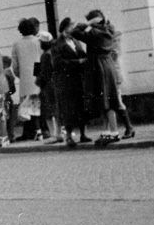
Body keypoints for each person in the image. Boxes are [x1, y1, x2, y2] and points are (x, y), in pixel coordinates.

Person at [72, 11, 123, 144]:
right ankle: (107, 131)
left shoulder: (96, 33)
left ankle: (114, 131)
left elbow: (75, 32)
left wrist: (87, 25)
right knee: (103, 100)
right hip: (104, 65)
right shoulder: (105, 30)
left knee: (107, 100)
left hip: (99, 66)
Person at [51, 18, 89, 148]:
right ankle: (69, 135)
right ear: (65, 29)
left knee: (81, 106)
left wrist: (84, 60)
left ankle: (83, 134)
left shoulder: (75, 41)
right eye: (71, 27)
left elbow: (82, 53)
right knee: (69, 108)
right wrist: (77, 62)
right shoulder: (57, 44)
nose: (73, 29)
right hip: (66, 81)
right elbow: (58, 63)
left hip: (78, 78)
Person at [11, 18, 42, 141]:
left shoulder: (17, 44)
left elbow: (15, 64)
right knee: (36, 104)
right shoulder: (38, 42)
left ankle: (31, 131)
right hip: (36, 75)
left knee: (26, 105)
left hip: (24, 77)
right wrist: (36, 74)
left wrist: (21, 75)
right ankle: (38, 131)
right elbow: (39, 59)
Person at [35, 31, 58, 141]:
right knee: (56, 108)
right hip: (55, 82)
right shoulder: (53, 52)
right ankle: (59, 131)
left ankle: (52, 133)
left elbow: (43, 73)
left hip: (47, 85)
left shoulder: (45, 55)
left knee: (48, 110)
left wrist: (37, 81)